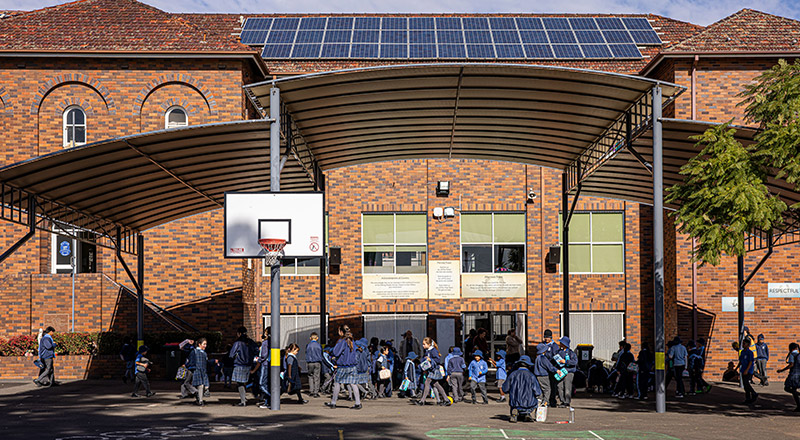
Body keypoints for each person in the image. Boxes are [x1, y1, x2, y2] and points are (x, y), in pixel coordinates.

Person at [326, 326, 362, 410]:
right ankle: (358, 403)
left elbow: (336, 352)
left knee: (337, 383)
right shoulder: (352, 341)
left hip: (342, 366)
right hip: (352, 366)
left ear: (341, 332)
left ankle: (333, 402)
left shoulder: (342, 341)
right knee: (353, 384)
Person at [502, 355, 542, 423]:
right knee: (535, 401)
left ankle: (515, 411)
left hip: (515, 401)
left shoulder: (513, 374)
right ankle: (527, 413)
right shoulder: (531, 375)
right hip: (529, 402)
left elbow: (505, 388)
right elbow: (537, 391)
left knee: (513, 400)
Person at [417, 337, 449, 406]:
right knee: (436, 385)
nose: (423, 346)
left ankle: (422, 401)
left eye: (424, 344)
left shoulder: (433, 350)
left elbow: (437, 360)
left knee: (427, 383)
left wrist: (430, 359)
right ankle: (446, 399)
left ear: (428, 344)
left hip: (434, 370)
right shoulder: (427, 351)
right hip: (431, 370)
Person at [230, 326, 254, 407]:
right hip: (249, 364)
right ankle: (246, 397)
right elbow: (256, 350)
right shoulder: (250, 342)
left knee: (240, 383)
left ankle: (243, 400)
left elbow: (231, 354)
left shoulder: (237, 343)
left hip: (239, 364)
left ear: (239, 334)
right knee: (246, 381)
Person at [776, 342, 800, 412]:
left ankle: (798, 400)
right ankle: (798, 405)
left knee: (787, 388)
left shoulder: (792, 355)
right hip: (798, 375)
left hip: (793, 375)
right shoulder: (798, 355)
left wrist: (782, 370)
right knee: (794, 389)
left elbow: (791, 365)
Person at [555, 336, 577, 407]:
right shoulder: (559, 352)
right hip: (561, 372)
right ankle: (562, 401)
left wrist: (566, 361)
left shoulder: (571, 353)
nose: (560, 343)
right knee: (559, 386)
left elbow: (575, 362)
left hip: (569, 372)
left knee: (567, 386)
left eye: (561, 342)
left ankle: (567, 402)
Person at [738, 337, 758, 404]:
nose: (743, 345)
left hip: (748, 370)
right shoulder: (742, 352)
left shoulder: (750, 353)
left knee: (746, 383)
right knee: (745, 384)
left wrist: (747, 370)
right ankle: (748, 398)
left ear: (748, 344)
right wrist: (737, 368)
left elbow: (750, 362)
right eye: (743, 344)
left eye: (744, 344)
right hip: (743, 370)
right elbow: (741, 361)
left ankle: (754, 393)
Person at [192, 338, 210, 406]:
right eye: (204, 344)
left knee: (203, 386)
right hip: (197, 370)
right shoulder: (195, 351)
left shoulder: (204, 353)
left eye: (206, 344)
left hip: (203, 371)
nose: (205, 346)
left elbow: (206, 362)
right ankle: (200, 400)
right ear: (199, 344)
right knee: (200, 385)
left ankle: (199, 399)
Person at [306, 332, 323, 398]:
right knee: (317, 377)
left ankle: (311, 391)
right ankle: (316, 392)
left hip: (310, 362)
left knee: (310, 376)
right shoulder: (319, 345)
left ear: (310, 338)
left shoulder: (308, 345)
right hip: (317, 362)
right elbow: (321, 354)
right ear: (317, 338)